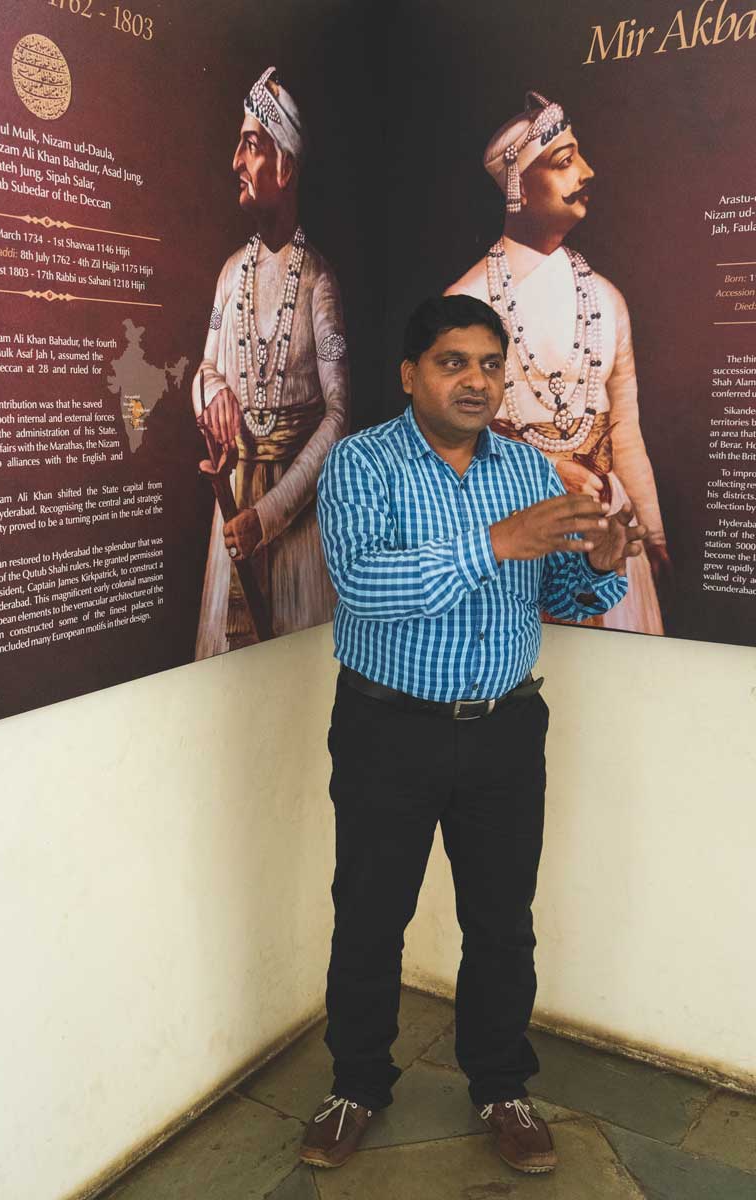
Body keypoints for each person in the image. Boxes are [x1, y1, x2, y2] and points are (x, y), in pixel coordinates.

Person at [300, 295, 645, 1175]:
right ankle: (356, 1086)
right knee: (371, 917)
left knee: (501, 922)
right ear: (411, 373)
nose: (478, 381)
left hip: (503, 732)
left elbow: (561, 599)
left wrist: (599, 567)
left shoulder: (528, 471)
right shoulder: (361, 464)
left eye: (491, 364)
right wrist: (499, 542)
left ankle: (501, 1085)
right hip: (388, 729)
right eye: (455, 363)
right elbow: (364, 586)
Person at [446, 90, 670, 635]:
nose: (586, 172)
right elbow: (449, 438)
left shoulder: (608, 299)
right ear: (519, 187)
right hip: (516, 524)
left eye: (581, 156)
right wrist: (545, 471)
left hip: (608, 521)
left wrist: (654, 533)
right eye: (565, 162)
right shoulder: (467, 300)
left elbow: (625, 430)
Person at [192, 66, 349, 657]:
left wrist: (269, 515)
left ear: (284, 164)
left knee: (293, 671)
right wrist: (215, 396)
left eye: (251, 145)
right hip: (232, 510)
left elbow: (338, 418)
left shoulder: (319, 284)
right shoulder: (230, 274)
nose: (236, 160)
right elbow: (204, 371)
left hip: (294, 520)